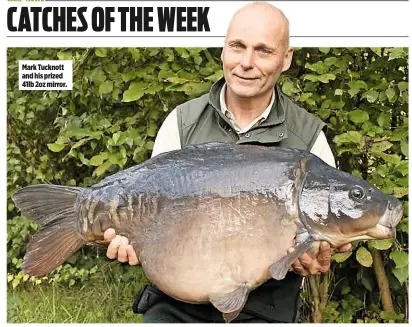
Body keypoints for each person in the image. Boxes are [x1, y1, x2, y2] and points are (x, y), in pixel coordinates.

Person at [103, 2, 351, 323]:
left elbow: (326, 234)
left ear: (285, 58)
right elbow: (150, 213)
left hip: (267, 308)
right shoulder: (181, 123)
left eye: (263, 51)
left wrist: (318, 256)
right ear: (223, 50)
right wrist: (131, 237)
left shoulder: (309, 138)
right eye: (237, 46)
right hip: (177, 301)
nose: (246, 63)